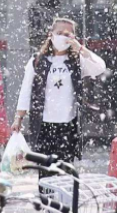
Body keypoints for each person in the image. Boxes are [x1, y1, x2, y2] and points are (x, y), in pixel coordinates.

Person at [12, 17, 106, 178]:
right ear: (51, 35)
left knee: (65, 170)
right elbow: (26, 90)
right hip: (44, 124)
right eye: (60, 33)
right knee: (45, 170)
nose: (63, 37)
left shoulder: (77, 61)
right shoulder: (37, 61)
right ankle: (46, 201)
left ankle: (66, 201)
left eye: (68, 34)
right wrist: (18, 118)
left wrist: (81, 49)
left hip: (68, 125)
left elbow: (99, 67)